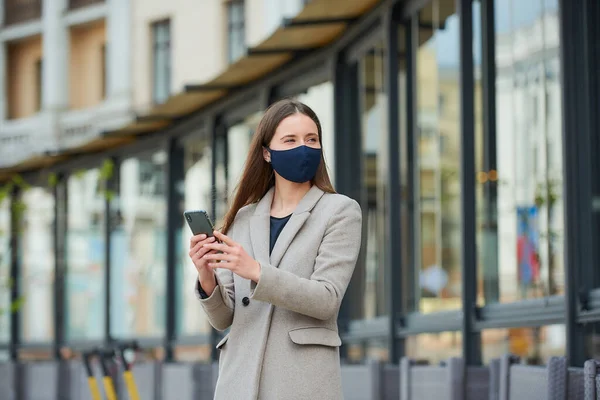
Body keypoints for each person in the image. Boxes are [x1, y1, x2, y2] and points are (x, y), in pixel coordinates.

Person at [188, 99, 362, 400]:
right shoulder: (242, 218)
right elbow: (223, 318)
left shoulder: (340, 211)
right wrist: (206, 277)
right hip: (238, 382)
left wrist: (255, 271)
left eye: (312, 139)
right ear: (267, 153)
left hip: (301, 382)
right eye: (290, 140)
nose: (303, 148)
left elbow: (327, 300)